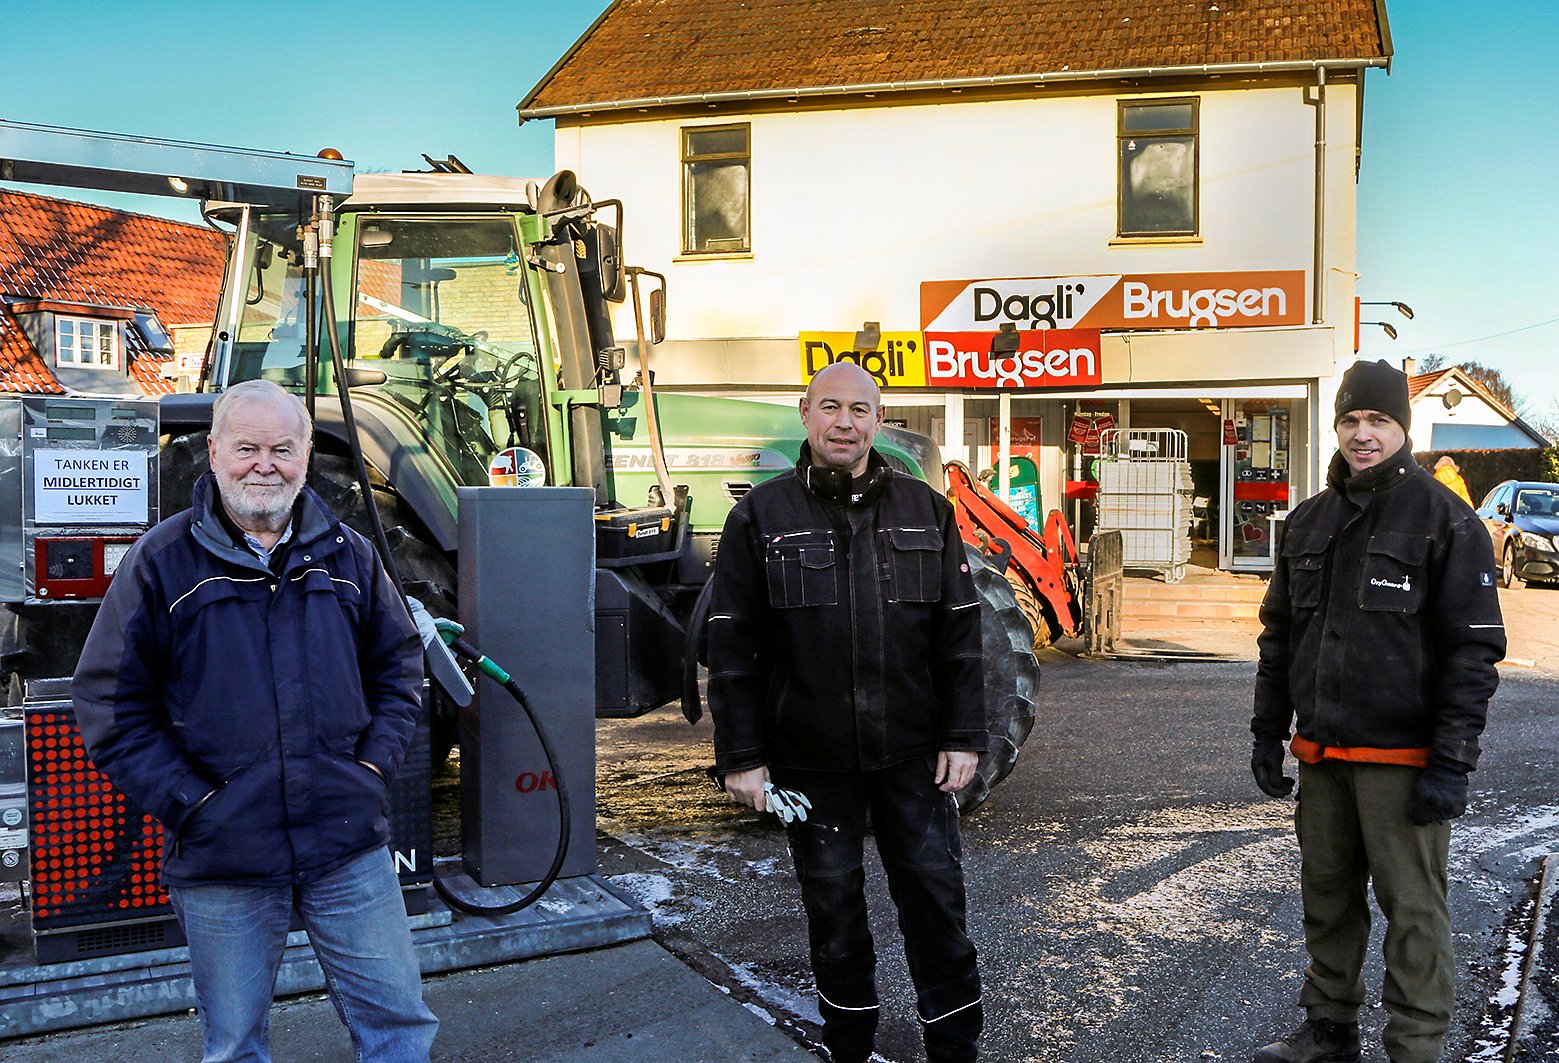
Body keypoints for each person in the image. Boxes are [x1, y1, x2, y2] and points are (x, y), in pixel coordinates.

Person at [73, 380, 438, 1062]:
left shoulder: (349, 554)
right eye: (246, 448)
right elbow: (109, 705)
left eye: (281, 448)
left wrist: (370, 769)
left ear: (306, 456)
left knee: (398, 1023)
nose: (263, 464)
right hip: (223, 855)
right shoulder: (161, 562)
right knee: (235, 1044)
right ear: (213, 453)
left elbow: (400, 667)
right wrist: (195, 804)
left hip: (345, 843)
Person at [706, 361, 986, 1063]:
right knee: (832, 908)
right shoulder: (759, 515)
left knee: (935, 901)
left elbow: (958, 634)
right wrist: (741, 757)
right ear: (805, 413)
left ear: (876, 419)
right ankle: (850, 1048)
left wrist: (963, 735)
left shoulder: (927, 510)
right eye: (830, 407)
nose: (844, 422)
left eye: (860, 410)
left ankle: (954, 1048)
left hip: (914, 755)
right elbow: (732, 644)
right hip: (808, 761)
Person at [1250, 359, 1505, 1063]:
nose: (1362, 434)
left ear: (1402, 427)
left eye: (1378, 420)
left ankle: (1414, 1048)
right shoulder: (1307, 522)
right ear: (1337, 424)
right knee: (1326, 899)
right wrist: (1266, 731)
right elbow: (1278, 635)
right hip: (1323, 757)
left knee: (1413, 915)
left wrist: (1451, 764)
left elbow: (1472, 653)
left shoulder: (1445, 522)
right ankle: (1328, 1030)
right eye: (1351, 419)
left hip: (1403, 764)